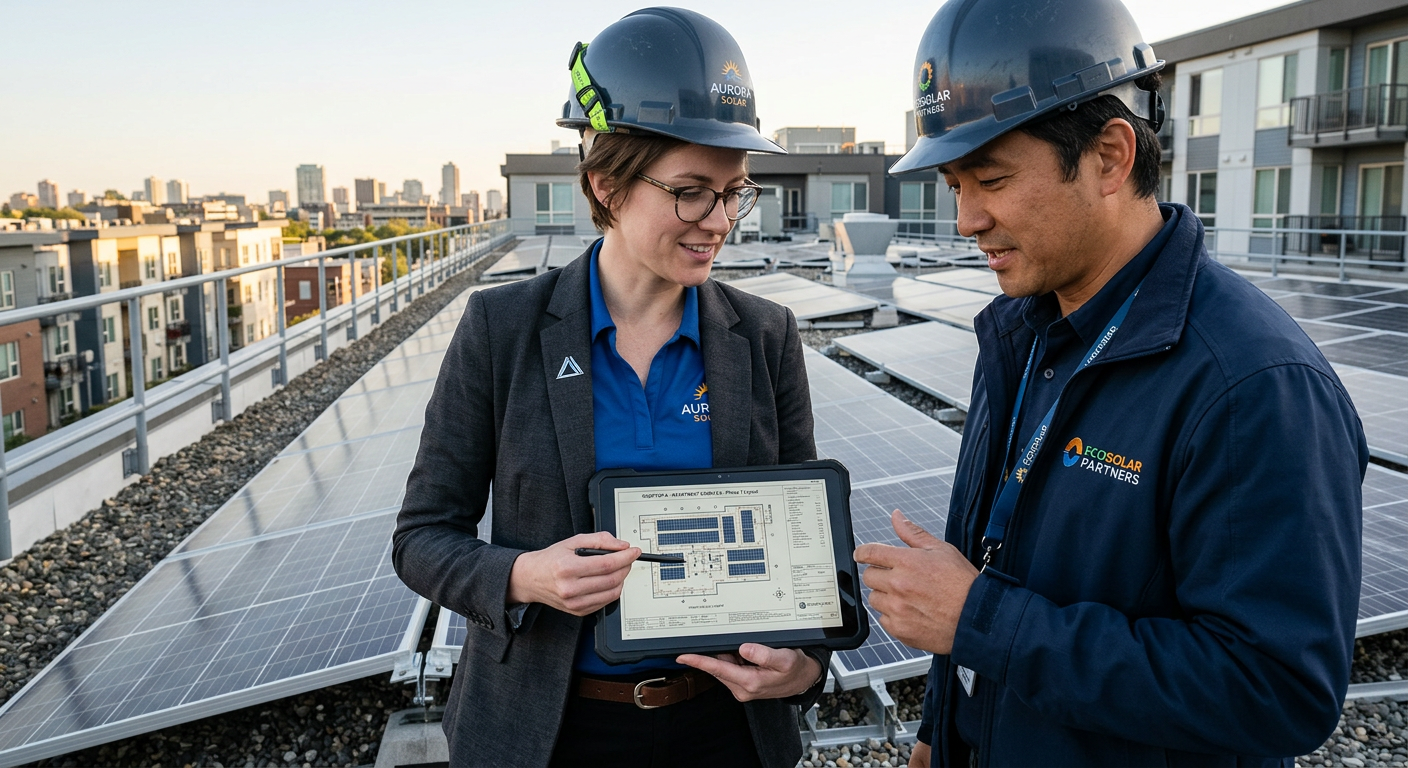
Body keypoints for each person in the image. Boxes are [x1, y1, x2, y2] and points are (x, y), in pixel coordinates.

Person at [854, 0, 1369, 765]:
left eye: (990, 179)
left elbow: (1276, 690)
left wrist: (980, 620)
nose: (965, 219)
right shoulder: (1023, 331)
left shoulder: (1252, 385)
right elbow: (987, 566)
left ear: (1110, 157)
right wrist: (942, 730)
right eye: (955, 184)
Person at [392, 8, 828, 767]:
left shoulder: (764, 337)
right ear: (607, 184)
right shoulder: (503, 328)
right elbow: (421, 539)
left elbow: (807, 552)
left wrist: (807, 665)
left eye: (734, 192)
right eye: (692, 191)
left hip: (724, 732)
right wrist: (523, 575)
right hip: (553, 734)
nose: (719, 221)